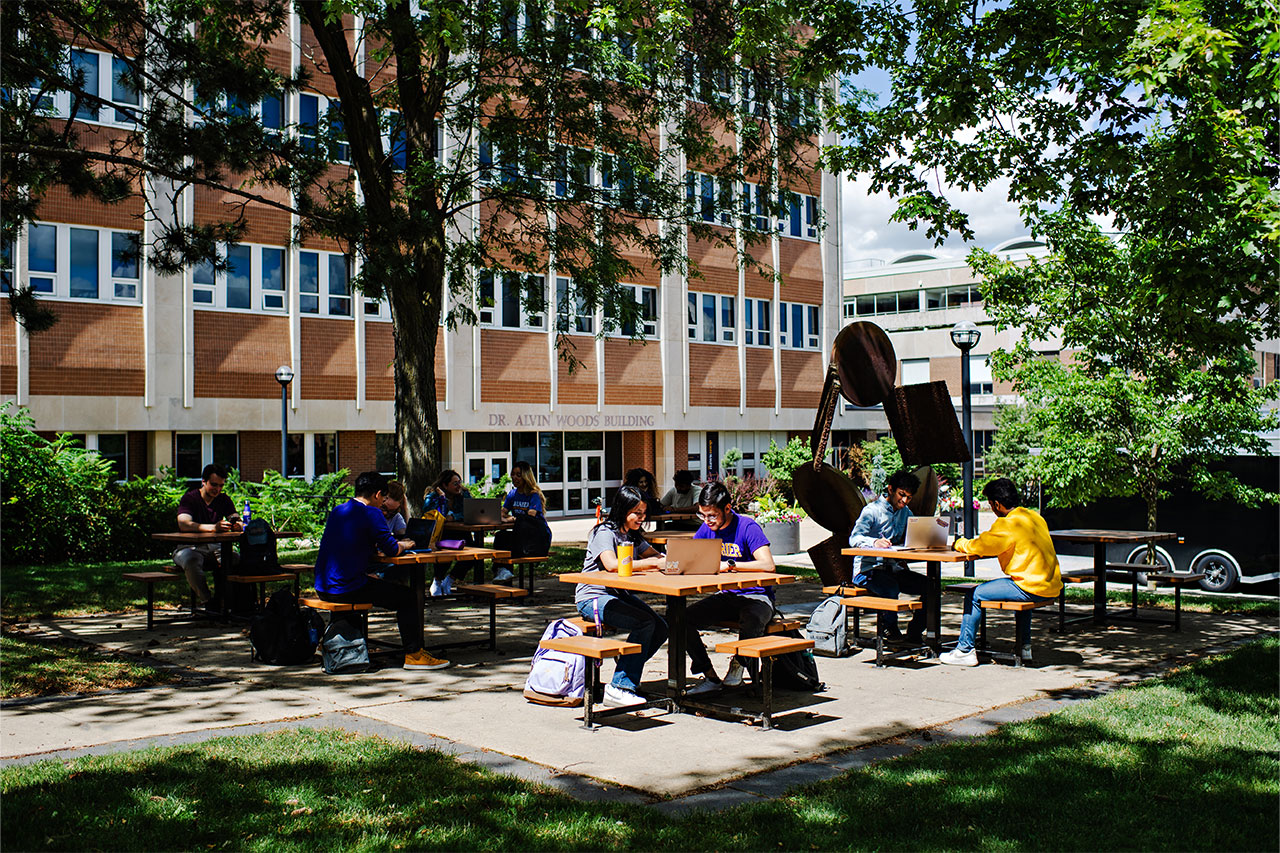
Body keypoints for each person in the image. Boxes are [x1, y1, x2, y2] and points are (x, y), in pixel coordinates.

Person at [315, 471, 450, 670]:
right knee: (408, 597)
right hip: (346, 587)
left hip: (324, 585)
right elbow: (393, 549)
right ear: (378, 495)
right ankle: (414, 654)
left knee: (381, 589)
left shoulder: (339, 510)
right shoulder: (372, 513)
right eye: (384, 498)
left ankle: (332, 644)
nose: (384, 503)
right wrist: (406, 544)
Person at [940, 478, 1063, 666]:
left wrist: (959, 543)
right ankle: (1024, 647)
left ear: (997, 504)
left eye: (990, 504)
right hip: (1050, 585)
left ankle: (964, 650)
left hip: (1029, 586)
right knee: (1021, 595)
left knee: (974, 594)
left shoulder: (1007, 524)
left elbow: (981, 546)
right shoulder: (1035, 517)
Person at [574, 486, 669, 707]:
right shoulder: (604, 532)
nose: (640, 518)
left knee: (661, 627)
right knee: (644, 623)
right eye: (636, 512)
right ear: (623, 510)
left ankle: (626, 667)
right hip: (593, 596)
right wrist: (654, 562)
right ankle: (620, 687)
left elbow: (654, 555)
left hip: (617, 595)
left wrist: (666, 559)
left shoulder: (632, 535)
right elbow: (611, 564)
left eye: (643, 513)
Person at [684, 481, 777, 696]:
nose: (707, 521)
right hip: (726, 595)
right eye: (702, 515)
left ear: (727, 508)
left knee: (752, 618)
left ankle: (739, 663)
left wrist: (730, 565)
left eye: (712, 516)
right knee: (680, 618)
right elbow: (692, 556)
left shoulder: (747, 526)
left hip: (757, 596)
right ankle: (709, 675)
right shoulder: (706, 528)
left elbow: (768, 565)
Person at [847, 469, 939, 643]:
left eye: (909, 498)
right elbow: (854, 538)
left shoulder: (906, 513)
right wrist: (874, 542)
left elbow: (911, 536)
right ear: (890, 489)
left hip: (893, 569)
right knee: (890, 587)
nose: (904, 501)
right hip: (867, 571)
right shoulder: (871, 511)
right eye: (901, 495)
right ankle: (890, 629)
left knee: (930, 587)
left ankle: (915, 631)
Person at [173, 463, 242, 607]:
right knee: (191, 560)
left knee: (234, 559)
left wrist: (237, 525)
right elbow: (184, 524)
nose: (217, 489)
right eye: (214, 485)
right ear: (203, 481)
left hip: (216, 547)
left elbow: (236, 518)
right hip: (190, 547)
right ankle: (208, 601)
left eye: (221, 486)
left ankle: (227, 600)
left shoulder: (224, 499)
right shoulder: (190, 498)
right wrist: (213, 528)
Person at [493, 460, 552, 583]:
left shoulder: (534, 495)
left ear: (526, 477)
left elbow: (530, 515)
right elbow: (503, 511)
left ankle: (505, 571)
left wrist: (510, 518)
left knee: (510, 542)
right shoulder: (513, 494)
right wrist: (502, 516)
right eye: (513, 474)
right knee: (500, 536)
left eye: (518, 475)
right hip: (520, 535)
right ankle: (502, 570)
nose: (514, 477)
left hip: (536, 538)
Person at [424, 469, 469, 596]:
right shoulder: (433, 496)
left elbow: (469, 512)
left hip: (461, 532)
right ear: (444, 485)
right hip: (441, 533)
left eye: (459, 482)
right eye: (455, 483)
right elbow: (430, 512)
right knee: (445, 554)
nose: (459, 486)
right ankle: (437, 581)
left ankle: (450, 580)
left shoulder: (464, 494)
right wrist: (442, 499)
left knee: (474, 551)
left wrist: (454, 516)